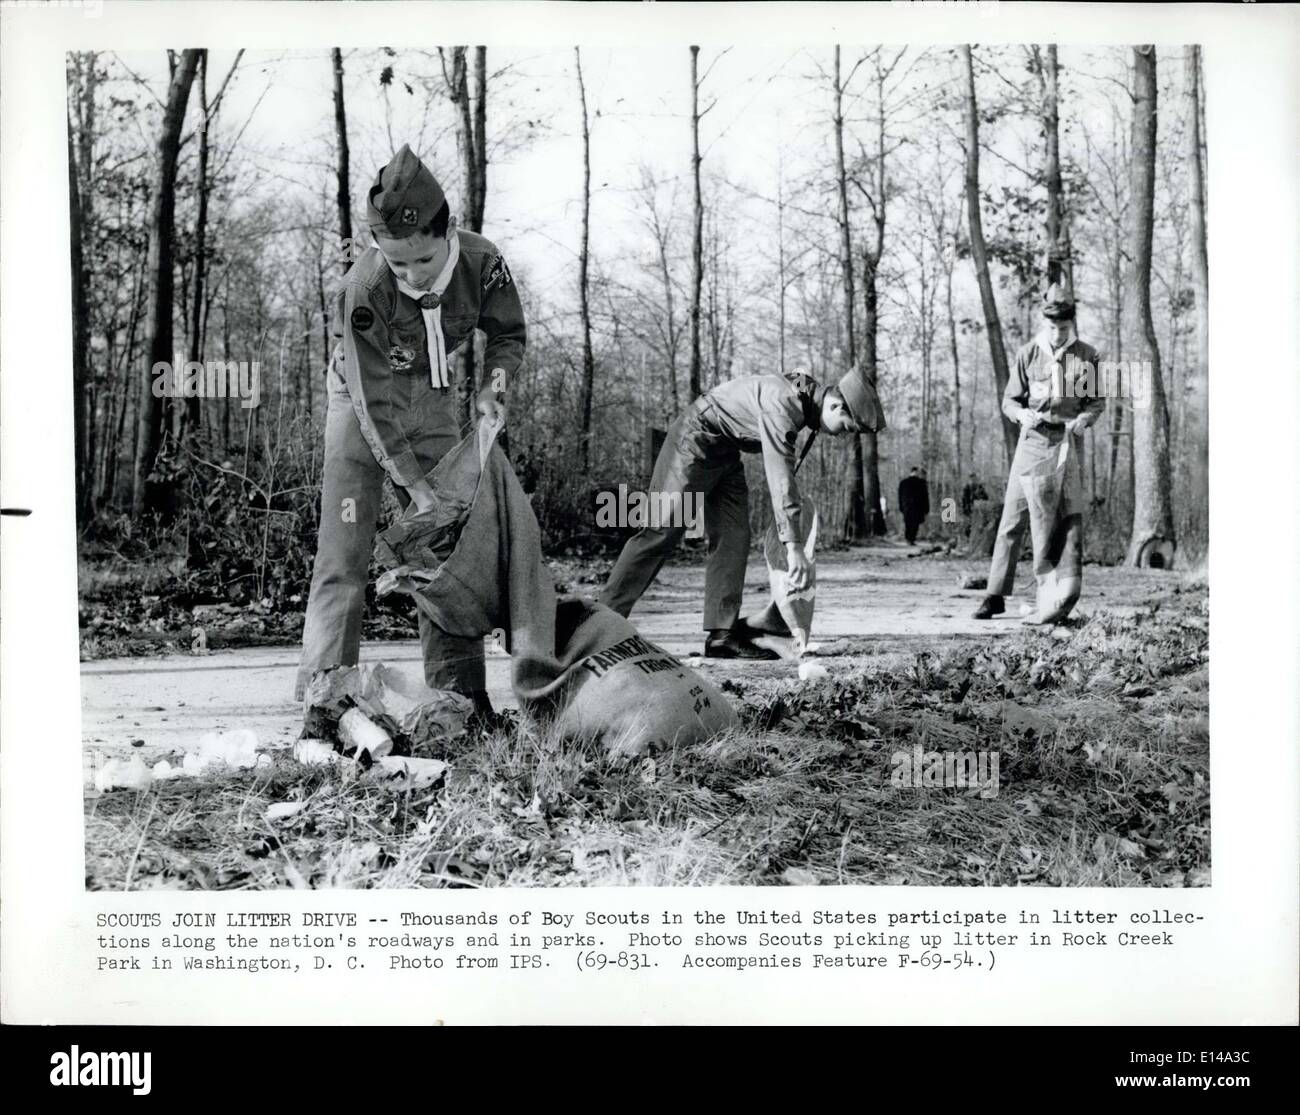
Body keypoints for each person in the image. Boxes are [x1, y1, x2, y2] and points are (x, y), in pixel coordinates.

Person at [296, 144, 526, 726]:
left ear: (446, 232)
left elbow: (508, 334)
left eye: (421, 261)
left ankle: (460, 699)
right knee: (343, 549)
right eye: (396, 265)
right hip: (360, 404)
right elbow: (373, 406)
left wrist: (492, 387)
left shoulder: (484, 261)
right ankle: (328, 702)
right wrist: (415, 486)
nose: (410, 276)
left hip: (433, 396)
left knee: (444, 548)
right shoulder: (362, 288)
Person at [599, 367, 887, 658]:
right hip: (695, 440)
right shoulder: (783, 412)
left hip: (725, 449)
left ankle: (721, 636)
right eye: (846, 427)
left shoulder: (808, 388)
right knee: (661, 531)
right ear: (835, 405)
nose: (840, 435)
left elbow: (793, 375)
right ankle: (601, 625)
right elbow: (781, 480)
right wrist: (794, 546)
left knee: (734, 534)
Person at [973, 282, 1105, 623]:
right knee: (1012, 518)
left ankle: (1052, 597)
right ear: (1042, 323)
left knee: (1059, 522)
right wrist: (1021, 414)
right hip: (1031, 442)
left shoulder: (1087, 356)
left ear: (1071, 324)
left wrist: (1084, 419)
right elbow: (1009, 400)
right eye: (1052, 328)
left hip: (1066, 444)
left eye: (1063, 328)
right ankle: (995, 594)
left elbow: (1096, 402)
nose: (1058, 335)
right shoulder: (1028, 353)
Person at [898, 466, 930, 544]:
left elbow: (899, 496)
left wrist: (901, 506)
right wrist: (926, 508)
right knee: (915, 523)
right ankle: (911, 539)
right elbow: (925, 497)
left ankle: (908, 538)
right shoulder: (921, 483)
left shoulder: (903, 482)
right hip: (917, 507)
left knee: (908, 522)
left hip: (907, 506)